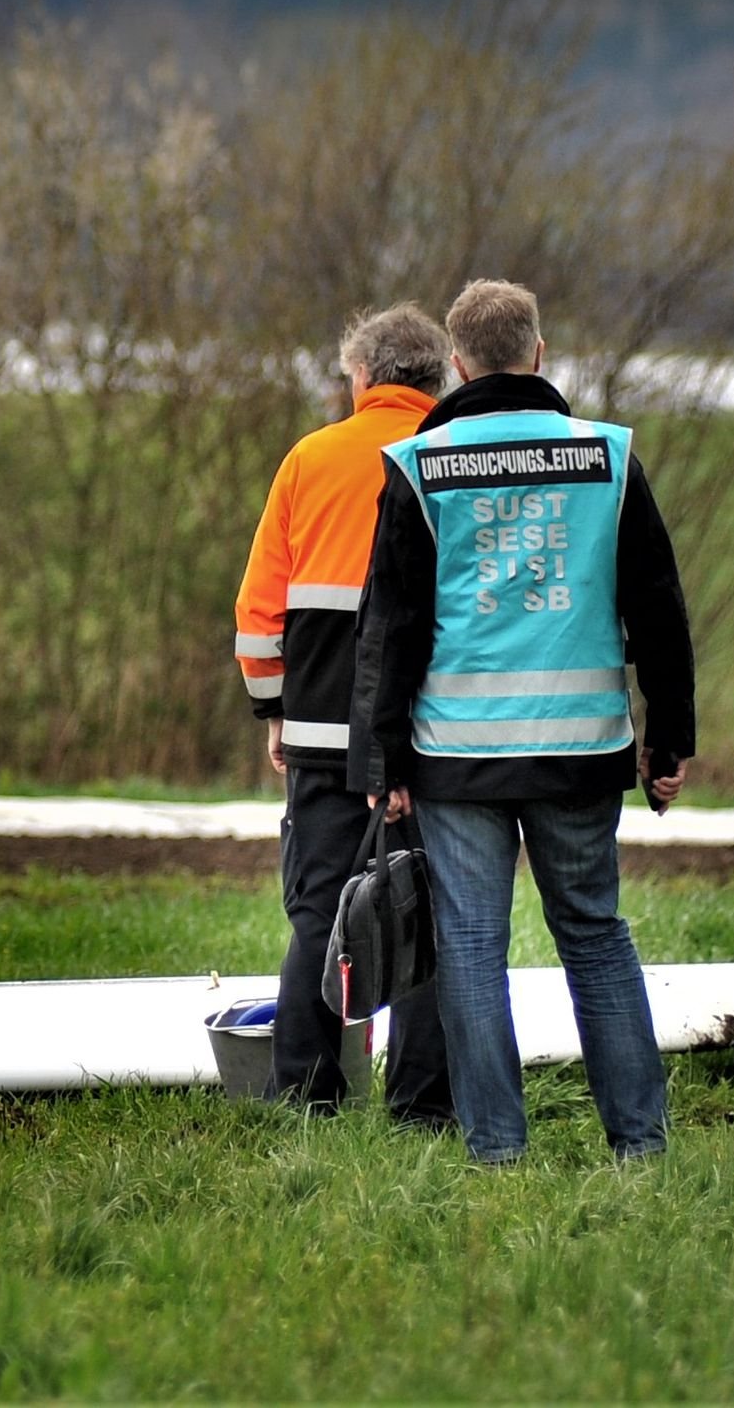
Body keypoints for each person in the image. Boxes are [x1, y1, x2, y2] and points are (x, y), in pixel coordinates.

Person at [348, 278, 695, 1165]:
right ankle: (640, 1144)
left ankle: (498, 1149)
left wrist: (380, 764)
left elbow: (391, 627)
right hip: (583, 748)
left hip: (458, 755)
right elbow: (658, 609)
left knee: (470, 947)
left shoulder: (421, 466)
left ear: (457, 365)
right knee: (595, 935)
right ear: (540, 354)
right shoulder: (609, 458)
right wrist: (669, 740)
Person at [231, 305, 456, 1120]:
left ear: (359, 379)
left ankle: (305, 1094)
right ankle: (424, 1106)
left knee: (321, 912)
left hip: (325, 736)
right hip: (439, 736)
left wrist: (274, 710)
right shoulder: (452, 459)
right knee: (431, 916)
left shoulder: (309, 460)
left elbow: (259, 611)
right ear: (442, 377)